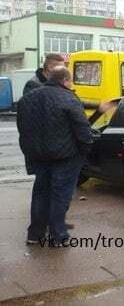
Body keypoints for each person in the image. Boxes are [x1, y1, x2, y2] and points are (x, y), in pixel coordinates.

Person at [17, 66, 93, 245]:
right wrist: (84, 150)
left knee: (40, 194)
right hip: (65, 157)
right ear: (65, 80)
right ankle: (58, 236)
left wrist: (31, 150)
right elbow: (83, 130)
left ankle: (35, 234)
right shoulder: (69, 98)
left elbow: (23, 129)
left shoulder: (27, 99)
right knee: (60, 195)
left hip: (39, 156)